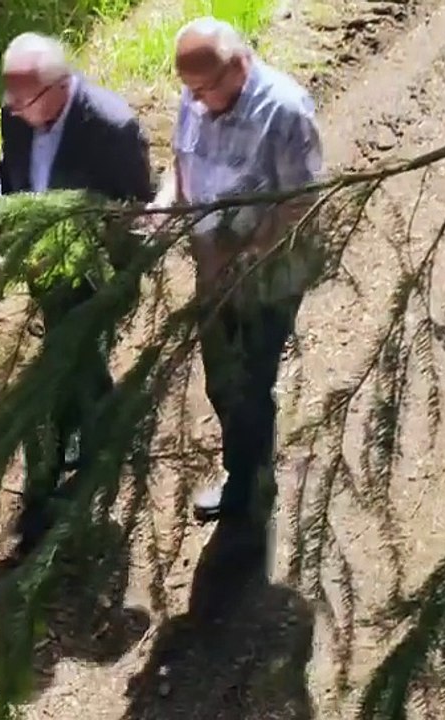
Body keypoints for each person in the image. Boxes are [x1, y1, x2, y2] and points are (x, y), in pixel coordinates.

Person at [0, 32, 155, 559]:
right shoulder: (18, 112)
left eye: (23, 102)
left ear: (59, 86)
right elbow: (7, 173)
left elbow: (137, 211)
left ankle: (77, 472)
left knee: (67, 367)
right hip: (46, 272)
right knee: (72, 364)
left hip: (95, 277)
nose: (14, 112)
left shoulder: (112, 128)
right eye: (11, 102)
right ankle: (91, 442)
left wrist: (89, 252)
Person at [153, 17, 325, 566]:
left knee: (251, 382)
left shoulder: (286, 110)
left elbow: (303, 207)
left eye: (206, 89)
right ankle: (243, 468)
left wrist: (239, 245)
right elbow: (180, 161)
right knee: (221, 381)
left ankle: (250, 491)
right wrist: (165, 203)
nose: (197, 101)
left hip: (269, 273)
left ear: (238, 66)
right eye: (190, 91)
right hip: (213, 267)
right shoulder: (198, 96)